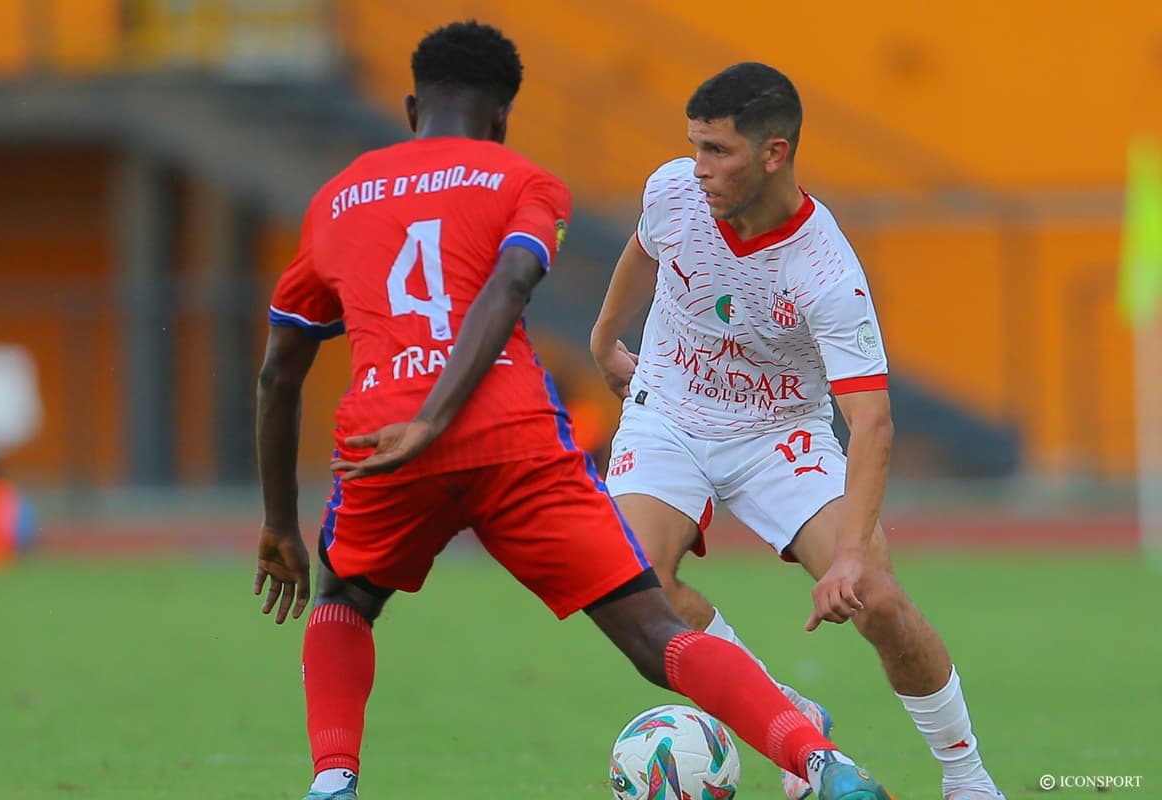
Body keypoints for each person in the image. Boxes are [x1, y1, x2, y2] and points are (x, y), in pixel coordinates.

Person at [254, 22, 893, 800]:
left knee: (346, 600)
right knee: (651, 628)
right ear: (501, 120)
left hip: (384, 436)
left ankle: (332, 781)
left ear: (412, 106)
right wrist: (445, 412)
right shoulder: (523, 181)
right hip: (511, 437)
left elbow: (278, 374)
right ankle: (822, 764)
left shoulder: (335, 200)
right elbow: (512, 283)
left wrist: (279, 523)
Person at [589, 62, 1004, 800]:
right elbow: (644, 247)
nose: (700, 168)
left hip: (779, 432)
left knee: (875, 595)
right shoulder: (674, 192)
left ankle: (966, 777)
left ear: (775, 153)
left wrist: (847, 557)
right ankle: (788, 717)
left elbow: (872, 421)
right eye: (695, 146)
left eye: (719, 151)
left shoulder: (823, 269)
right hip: (669, 416)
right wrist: (602, 339)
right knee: (634, 584)